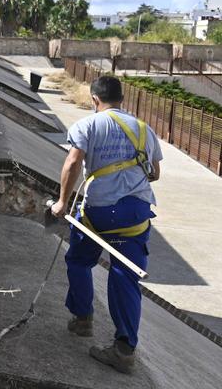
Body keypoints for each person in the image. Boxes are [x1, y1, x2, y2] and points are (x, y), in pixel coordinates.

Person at [50, 75, 162, 374]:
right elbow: (155, 173)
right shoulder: (144, 129)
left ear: (94, 100)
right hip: (136, 213)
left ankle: (83, 318)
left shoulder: (88, 125)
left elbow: (73, 163)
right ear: (122, 99)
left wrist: (62, 202)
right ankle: (124, 349)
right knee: (125, 275)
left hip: (100, 212)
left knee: (78, 259)